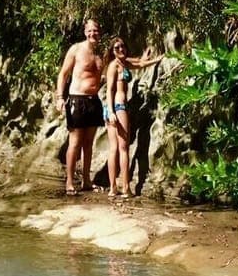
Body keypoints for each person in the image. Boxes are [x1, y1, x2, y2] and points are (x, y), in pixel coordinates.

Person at [104, 36, 163, 198]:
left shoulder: (124, 63)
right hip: (117, 107)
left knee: (116, 149)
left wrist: (157, 59)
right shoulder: (113, 66)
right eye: (117, 48)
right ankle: (125, 188)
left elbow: (141, 63)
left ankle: (113, 188)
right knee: (122, 149)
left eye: (122, 46)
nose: (121, 49)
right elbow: (109, 90)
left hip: (115, 108)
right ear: (112, 51)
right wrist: (111, 111)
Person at [55, 18, 105, 195]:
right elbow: (63, 74)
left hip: (94, 101)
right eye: (90, 30)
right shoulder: (76, 49)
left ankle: (86, 181)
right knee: (75, 143)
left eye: (96, 31)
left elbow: (123, 62)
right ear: (85, 32)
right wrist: (60, 97)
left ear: (99, 32)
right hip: (77, 100)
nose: (93, 34)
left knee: (89, 144)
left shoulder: (100, 55)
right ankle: (69, 182)